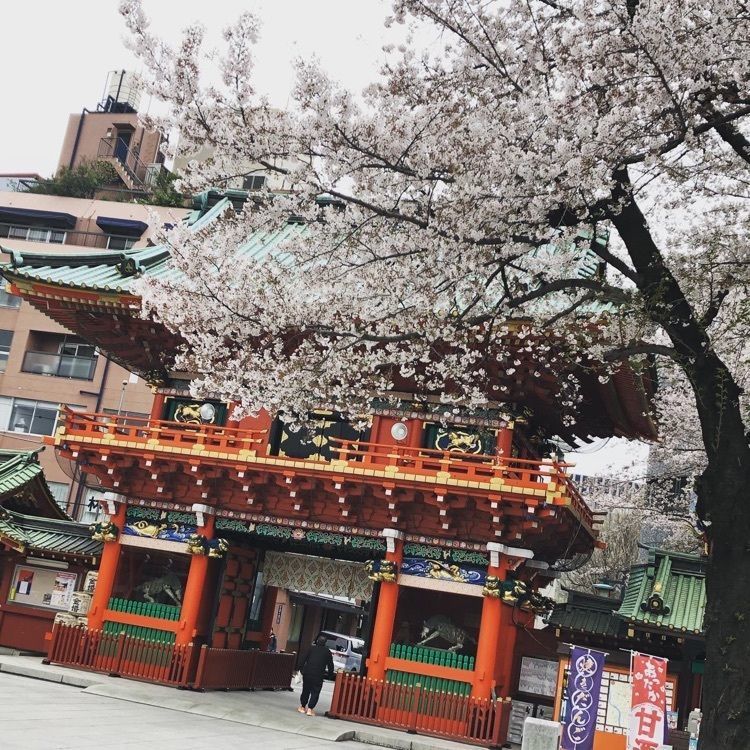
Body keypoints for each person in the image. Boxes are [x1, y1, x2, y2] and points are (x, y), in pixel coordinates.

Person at [297, 635, 334, 716]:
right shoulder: (327, 652)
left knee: (306, 690)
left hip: (308, 673)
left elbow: (303, 659)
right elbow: (330, 665)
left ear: (317, 641)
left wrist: (300, 668)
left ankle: (303, 707)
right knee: (315, 692)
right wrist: (330, 675)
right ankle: (310, 709)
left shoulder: (311, 648)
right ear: (325, 643)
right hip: (319, 675)